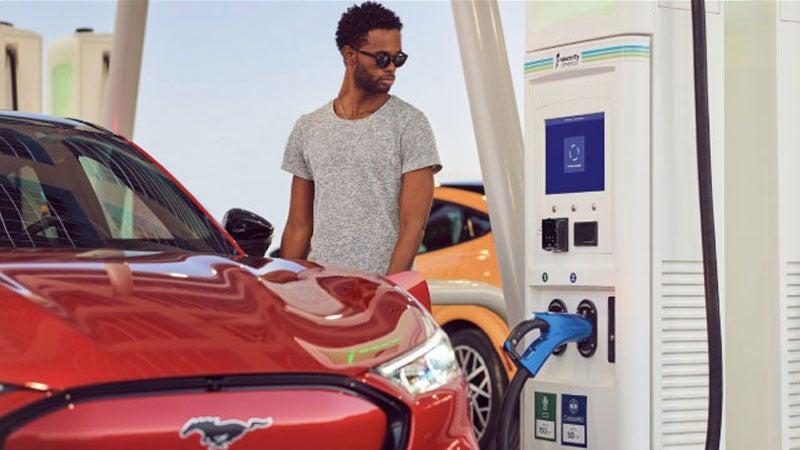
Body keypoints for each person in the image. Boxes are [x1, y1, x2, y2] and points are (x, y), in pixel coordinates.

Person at [280, 1, 440, 276]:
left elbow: (413, 226)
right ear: (350, 56)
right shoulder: (309, 127)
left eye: (398, 58)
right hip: (321, 293)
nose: (391, 67)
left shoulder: (411, 124)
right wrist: (283, 289)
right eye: (381, 58)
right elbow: (298, 225)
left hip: (381, 296)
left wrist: (390, 293)